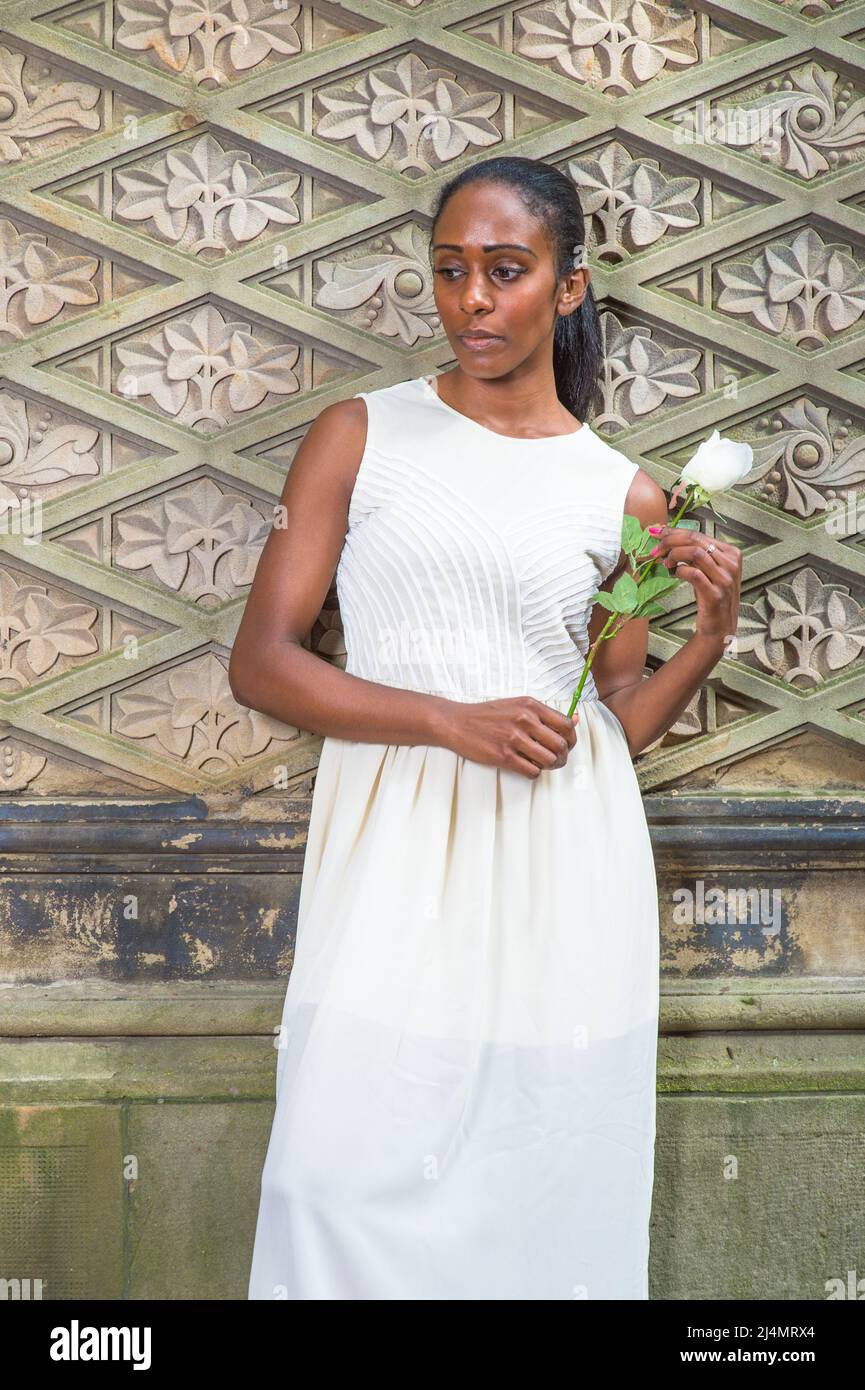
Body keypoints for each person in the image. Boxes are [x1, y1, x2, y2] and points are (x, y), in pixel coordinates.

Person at [232, 154, 742, 1300]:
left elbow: (613, 716)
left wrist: (703, 639)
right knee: (334, 1168)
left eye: (505, 271)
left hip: (558, 855)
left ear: (567, 286)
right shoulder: (361, 434)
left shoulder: (622, 492)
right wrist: (443, 719)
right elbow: (261, 663)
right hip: (394, 845)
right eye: (451, 270)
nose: (471, 299)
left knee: (538, 1169)